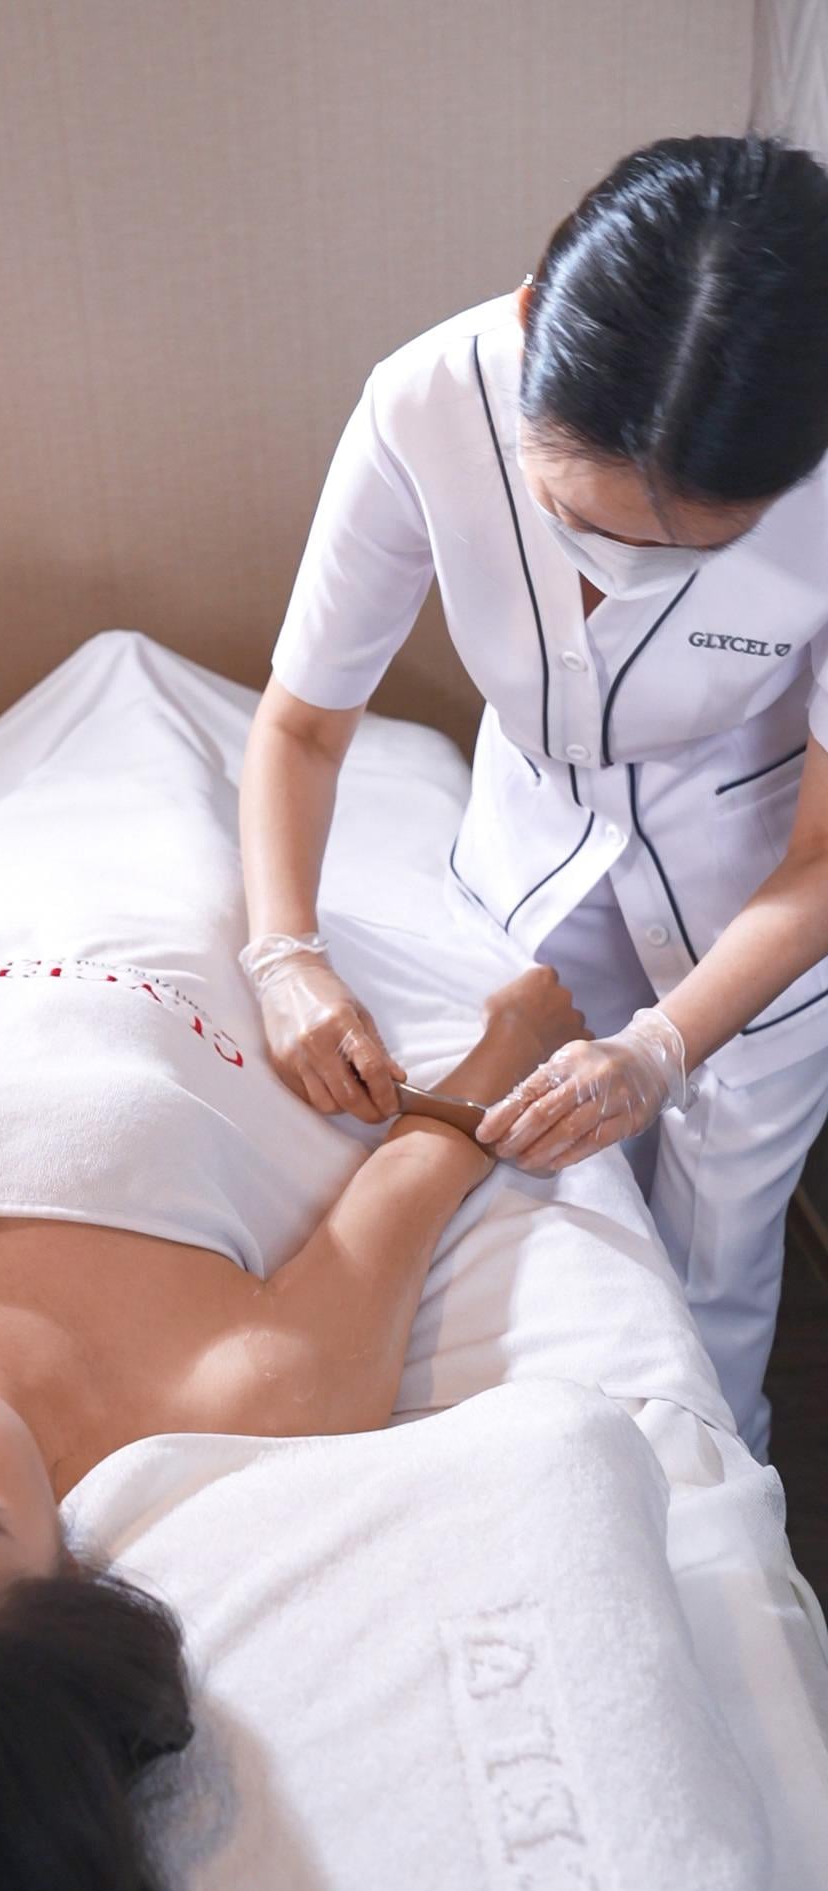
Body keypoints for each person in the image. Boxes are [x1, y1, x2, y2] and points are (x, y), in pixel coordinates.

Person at [0, 768, 583, 1891]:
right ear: (74, 1578)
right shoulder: (244, 1392)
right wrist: (517, 1038)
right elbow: (418, 1169)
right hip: (174, 872)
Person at [239, 131, 828, 1460]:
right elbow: (305, 724)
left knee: (720, 1267)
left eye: (689, 551)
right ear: (526, 331)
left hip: (760, 884)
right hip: (535, 849)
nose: (621, 572)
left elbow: (826, 846)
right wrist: (283, 955)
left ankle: (711, 1505)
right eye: (583, 519)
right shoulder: (426, 401)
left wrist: (664, 1047)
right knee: (528, 1221)